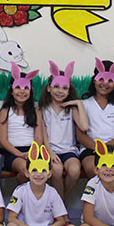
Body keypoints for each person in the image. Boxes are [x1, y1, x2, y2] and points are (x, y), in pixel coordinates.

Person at [6, 142, 78, 226]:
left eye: (43, 171)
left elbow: (61, 221)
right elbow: (11, 218)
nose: (39, 174)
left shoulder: (52, 192)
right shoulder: (20, 190)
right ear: (27, 173)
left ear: (49, 174)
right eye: (34, 170)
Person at [37, 60, 88, 199]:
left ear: (69, 90)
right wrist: (50, 153)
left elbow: (84, 127)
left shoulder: (71, 109)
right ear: (49, 88)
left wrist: (79, 103)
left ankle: (61, 201)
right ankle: (60, 206)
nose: (60, 91)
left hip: (69, 151)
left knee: (74, 171)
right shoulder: (42, 110)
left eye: (65, 88)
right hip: (50, 151)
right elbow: (43, 135)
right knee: (56, 170)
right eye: (56, 87)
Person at [78, 59, 114, 179]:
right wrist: (97, 148)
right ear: (94, 80)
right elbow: (80, 135)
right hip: (91, 149)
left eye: (110, 81)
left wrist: (107, 147)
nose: (105, 84)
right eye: (101, 79)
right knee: (93, 168)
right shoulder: (84, 104)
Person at [0, 62, 43, 182]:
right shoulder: (5, 112)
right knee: (26, 168)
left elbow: (39, 138)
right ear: (11, 90)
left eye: (26, 88)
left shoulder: (36, 112)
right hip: (13, 153)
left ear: (31, 90)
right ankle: (22, 193)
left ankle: (30, 192)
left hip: (33, 151)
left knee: (39, 168)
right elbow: (3, 140)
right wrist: (19, 154)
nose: (22, 91)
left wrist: (32, 153)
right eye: (18, 87)